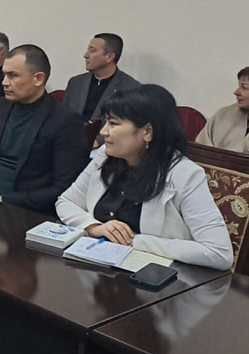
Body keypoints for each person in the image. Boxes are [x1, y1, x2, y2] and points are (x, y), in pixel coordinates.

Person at [57, 84, 232, 270]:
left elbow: (219, 253)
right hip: (96, 268)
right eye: (106, 122)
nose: (103, 132)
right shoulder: (106, 156)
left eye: (113, 123)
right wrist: (93, 226)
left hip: (155, 278)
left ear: (147, 132)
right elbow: (66, 201)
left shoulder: (184, 174)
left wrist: (135, 241)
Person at [0, 44, 88, 215]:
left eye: (13, 76)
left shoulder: (65, 121)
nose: (4, 82)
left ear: (38, 79)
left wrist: (3, 200)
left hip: (23, 209)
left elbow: (64, 187)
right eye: (4, 75)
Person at [63, 33, 141, 122]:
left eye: (92, 50)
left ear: (110, 57)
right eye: (88, 49)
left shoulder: (131, 89)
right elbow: (63, 116)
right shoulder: (76, 82)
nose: (86, 55)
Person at [195, 66, 249, 153]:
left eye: (244, 87)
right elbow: (201, 150)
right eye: (239, 86)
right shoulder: (222, 115)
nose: (236, 92)